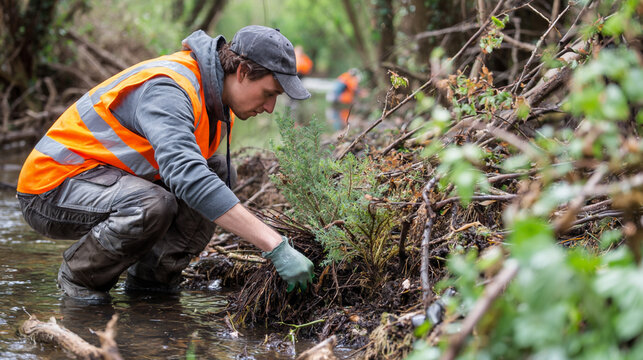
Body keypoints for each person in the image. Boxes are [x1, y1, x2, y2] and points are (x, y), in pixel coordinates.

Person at [16, 25, 315, 304]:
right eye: (269, 93)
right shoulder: (170, 89)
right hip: (50, 189)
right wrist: (275, 246)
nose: (270, 107)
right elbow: (187, 177)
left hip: (104, 179)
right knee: (151, 204)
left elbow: (200, 175)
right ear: (242, 72)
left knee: (219, 173)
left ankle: (153, 282)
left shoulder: (216, 99)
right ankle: (80, 281)